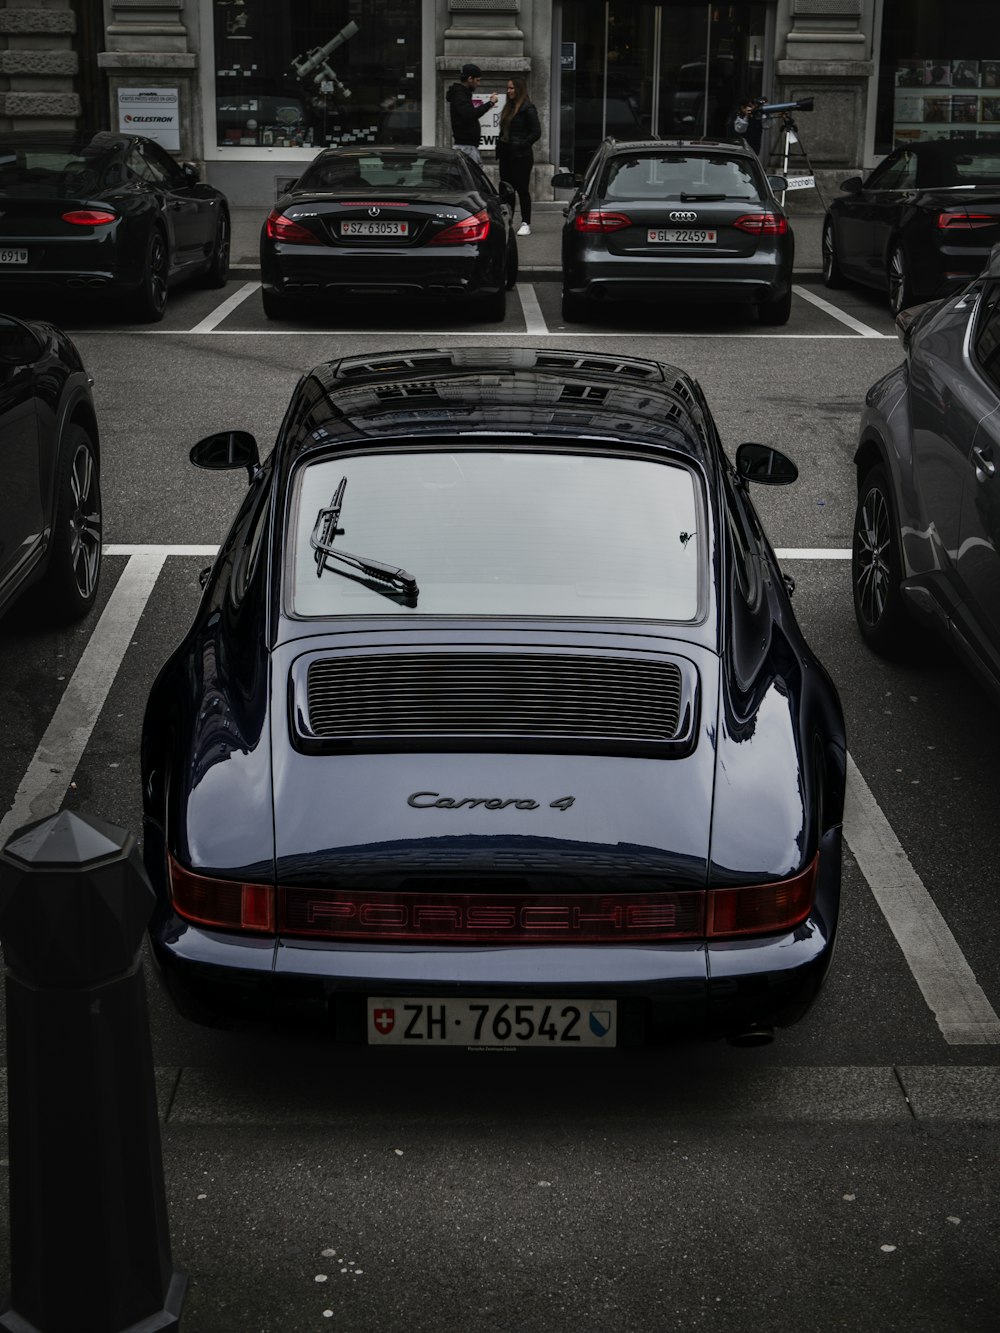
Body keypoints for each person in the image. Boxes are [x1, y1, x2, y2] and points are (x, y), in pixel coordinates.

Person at [497, 75, 541, 236]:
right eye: (507, 88)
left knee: (522, 190)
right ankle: (508, 221)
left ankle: (525, 222)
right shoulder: (508, 108)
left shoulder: (528, 108)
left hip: (521, 156)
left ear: (519, 89)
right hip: (506, 154)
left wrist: (522, 144)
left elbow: (536, 132)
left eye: (511, 88)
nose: (508, 91)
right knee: (506, 191)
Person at [446, 63, 497, 165]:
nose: (478, 84)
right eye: (477, 80)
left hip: (468, 146)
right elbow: (470, 114)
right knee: (471, 179)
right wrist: (490, 103)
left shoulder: (462, 94)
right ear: (470, 79)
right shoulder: (460, 95)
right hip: (466, 148)